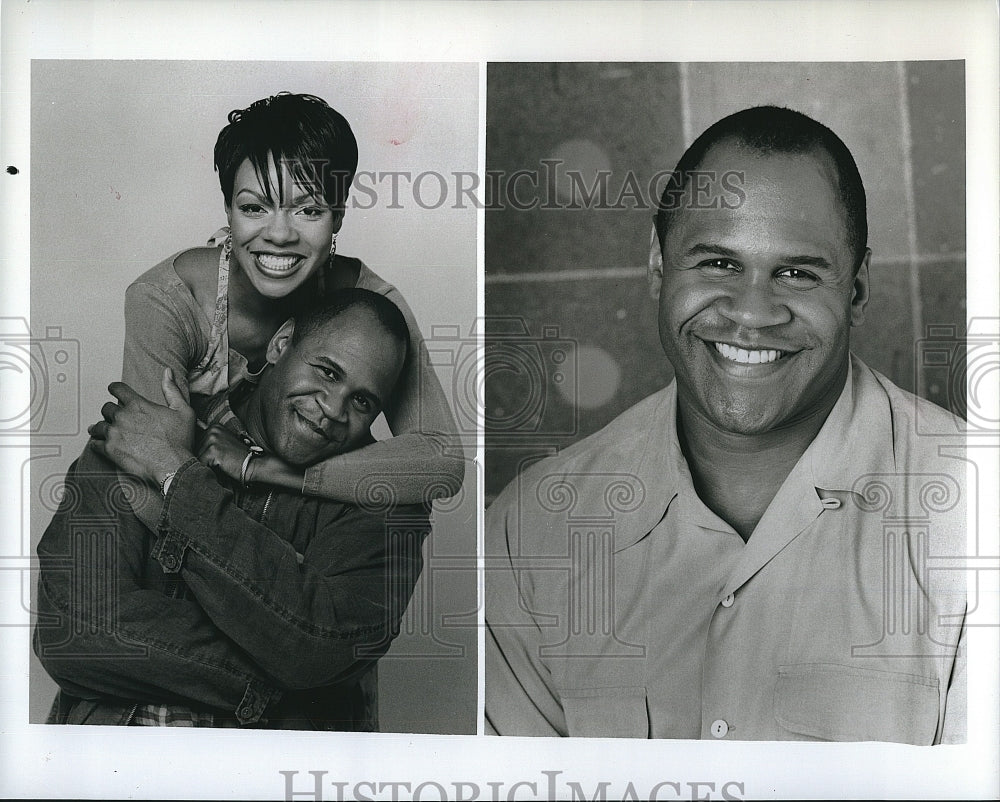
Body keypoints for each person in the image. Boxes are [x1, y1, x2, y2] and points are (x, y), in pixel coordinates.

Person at [485, 106, 967, 743]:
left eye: (797, 273)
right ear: (659, 264)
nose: (753, 313)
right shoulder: (534, 529)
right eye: (717, 264)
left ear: (856, 289)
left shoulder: (974, 510)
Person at [34, 289, 430, 729]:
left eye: (362, 401)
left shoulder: (385, 500)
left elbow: (322, 646)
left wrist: (175, 476)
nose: (333, 409)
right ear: (281, 344)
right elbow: (71, 633)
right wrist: (286, 681)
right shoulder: (144, 433)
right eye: (327, 372)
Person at [122, 92, 463, 507]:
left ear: (338, 216)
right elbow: (147, 473)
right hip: (199, 524)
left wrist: (266, 470)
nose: (280, 235)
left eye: (309, 211)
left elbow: (442, 461)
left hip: (304, 517)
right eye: (254, 208)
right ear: (228, 209)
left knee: (401, 515)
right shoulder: (168, 301)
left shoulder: (368, 301)